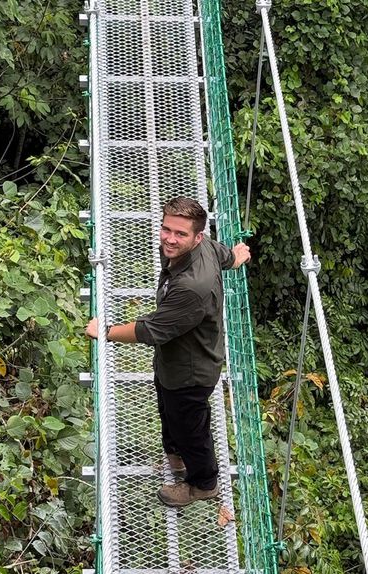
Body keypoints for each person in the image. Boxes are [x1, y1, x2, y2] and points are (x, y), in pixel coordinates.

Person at [86, 196, 251, 507]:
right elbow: (224, 256)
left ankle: (204, 483)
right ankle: (175, 454)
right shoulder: (204, 247)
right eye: (166, 229)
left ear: (197, 236)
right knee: (171, 413)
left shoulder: (192, 286)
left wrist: (104, 332)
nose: (169, 239)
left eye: (180, 234)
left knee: (192, 429)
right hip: (174, 360)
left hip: (191, 372)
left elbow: (150, 330)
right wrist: (236, 257)